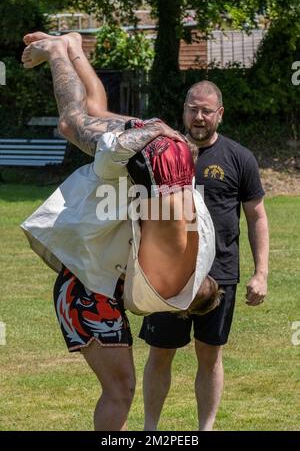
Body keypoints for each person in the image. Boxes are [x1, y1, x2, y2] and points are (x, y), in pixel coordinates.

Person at [20, 33, 218, 430]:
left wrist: (161, 138)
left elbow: (168, 209)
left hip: (165, 155)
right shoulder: (167, 277)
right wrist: (150, 139)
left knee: (93, 108)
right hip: (149, 158)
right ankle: (61, 51)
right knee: (71, 122)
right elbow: (162, 211)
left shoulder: (191, 258)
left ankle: (73, 46)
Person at [139, 80, 269, 431]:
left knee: (210, 355)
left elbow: (256, 216)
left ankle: (205, 429)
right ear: (184, 110)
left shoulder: (238, 158)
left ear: (219, 114)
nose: (198, 117)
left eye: (206, 111)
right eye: (192, 109)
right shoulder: (162, 153)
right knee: (160, 352)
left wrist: (261, 273)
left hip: (220, 275)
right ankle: (150, 429)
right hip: (167, 273)